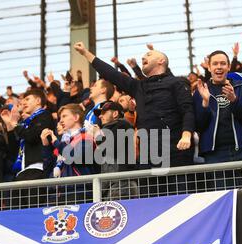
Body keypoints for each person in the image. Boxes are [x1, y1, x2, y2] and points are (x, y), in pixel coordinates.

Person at [74, 41, 195, 169]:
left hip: (176, 150)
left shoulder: (176, 82)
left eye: (148, 55)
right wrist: (85, 53)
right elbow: (111, 73)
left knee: (180, 188)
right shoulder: (139, 87)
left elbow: (187, 110)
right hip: (148, 156)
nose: (143, 57)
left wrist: (187, 134)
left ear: (161, 61)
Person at [194, 50, 242, 164]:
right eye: (215, 64)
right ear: (209, 68)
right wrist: (205, 102)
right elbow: (199, 126)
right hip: (214, 153)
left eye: (223, 63)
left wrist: (234, 100)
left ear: (229, 67)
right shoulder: (201, 91)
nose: (219, 67)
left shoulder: (240, 86)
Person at [1, 89, 56, 208]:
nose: (23, 102)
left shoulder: (44, 115)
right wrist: (9, 126)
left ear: (38, 100)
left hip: (37, 170)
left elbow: (32, 136)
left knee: (33, 211)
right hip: (22, 172)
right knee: (17, 215)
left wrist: (16, 124)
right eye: (23, 100)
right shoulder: (26, 123)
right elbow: (13, 150)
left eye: (27, 99)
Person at [93, 101, 138, 200]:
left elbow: (109, 147)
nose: (100, 116)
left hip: (121, 184)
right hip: (114, 184)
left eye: (104, 112)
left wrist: (97, 135)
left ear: (115, 114)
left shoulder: (122, 126)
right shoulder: (111, 129)